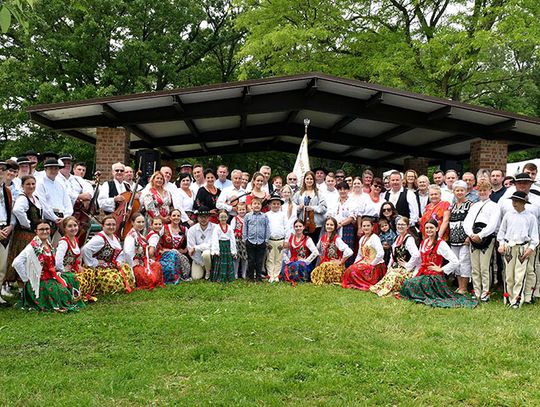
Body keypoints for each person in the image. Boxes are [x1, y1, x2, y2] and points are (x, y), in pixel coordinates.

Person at [399, 219, 477, 308]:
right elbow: (420, 261)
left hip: (434, 278)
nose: (429, 230)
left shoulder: (441, 243)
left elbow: (455, 261)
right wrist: (414, 272)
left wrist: (441, 269)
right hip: (423, 274)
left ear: (437, 229)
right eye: (427, 228)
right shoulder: (424, 242)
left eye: (431, 228)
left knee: (411, 284)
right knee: (408, 283)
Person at [13, 219, 83, 312]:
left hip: (50, 276)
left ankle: (73, 300)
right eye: (41, 229)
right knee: (61, 291)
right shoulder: (32, 247)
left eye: (47, 229)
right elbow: (16, 263)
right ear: (36, 231)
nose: (45, 231)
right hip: (40, 281)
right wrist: (27, 279)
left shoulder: (47, 244)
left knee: (71, 278)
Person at [497, 191, 538, 308]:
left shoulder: (530, 217)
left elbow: (534, 237)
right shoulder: (508, 215)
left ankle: (517, 299)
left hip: (522, 248)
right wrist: (501, 244)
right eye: (513, 201)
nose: (514, 203)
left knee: (520, 275)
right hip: (509, 247)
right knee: (509, 274)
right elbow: (502, 233)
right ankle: (508, 297)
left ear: (524, 202)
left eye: (517, 201)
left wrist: (530, 248)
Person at [463, 181, 500, 301]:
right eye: (480, 190)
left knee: (484, 266)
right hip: (473, 236)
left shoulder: (494, 206)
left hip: (487, 238)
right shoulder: (474, 206)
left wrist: (481, 235)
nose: (482, 193)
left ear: (490, 191)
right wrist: (470, 234)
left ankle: (485, 292)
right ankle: (477, 291)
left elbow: (493, 224)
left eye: (485, 190)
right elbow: (467, 221)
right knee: (475, 266)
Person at [81, 215, 135, 295]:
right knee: (112, 281)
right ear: (103, 226)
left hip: (111, 265)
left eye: (113, 225)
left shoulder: (115, 236)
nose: (111, 227)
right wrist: (94, 262)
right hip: (100, 269)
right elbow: (85, 249)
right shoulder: (100, 238)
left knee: (126, 269)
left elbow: (120, 252)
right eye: (108, 224)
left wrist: (118, 261)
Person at [370, 216, 420, 297]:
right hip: (397, 267)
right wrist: (389, 266)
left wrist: (407, 265)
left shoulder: (409, 239)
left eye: (403, 224)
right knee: (390, 273)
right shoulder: (397, 237)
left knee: (393, 275)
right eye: (398, 224)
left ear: (407, 226)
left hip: (407, 270)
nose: (400, 226)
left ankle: (388, 290)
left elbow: (416, 255)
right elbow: (392, 255)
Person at [34, 158, 73, 244]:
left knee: (60, 248)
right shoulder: (40, 184)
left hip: (62, 219)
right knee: (47, 247)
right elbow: (43, 205)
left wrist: (65, 217)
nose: (53, 171)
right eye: (51, 168)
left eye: (56, 168)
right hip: (48, 220)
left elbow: (68, 203)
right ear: (45, 169)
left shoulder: (60, 185)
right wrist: (55, 218)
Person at [342, 217, 386, 291]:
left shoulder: (375, 238)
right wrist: (355, 263)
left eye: (368, 226)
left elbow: (381, 254)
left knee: (353, 271)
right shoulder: (362, 238)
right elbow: (360, 254)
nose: (366, 228)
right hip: (365, 262)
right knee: (350, 269)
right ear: (361, 227)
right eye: (364, 226)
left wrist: (372, 264)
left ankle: (362, 283)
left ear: (372, 227)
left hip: (375, 266)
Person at [123, 212, 164, 290]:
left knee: (157, 265)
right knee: (147, 277)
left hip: (143, 261)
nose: (141, 224)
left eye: (143, 222)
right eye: (138, 222)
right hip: (135, 264)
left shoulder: (139, 235)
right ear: (132, 222)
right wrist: (133, 265)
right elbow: (128, 253)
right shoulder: (130, 237)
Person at [54, 216, 89, 302]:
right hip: (62, 272)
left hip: (72, 269)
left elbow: (75, 258)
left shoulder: (75, 239)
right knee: (80, 280)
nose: (73, 228)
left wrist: (78, 265)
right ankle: (76, 296)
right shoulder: (64, 242)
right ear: (65, 229)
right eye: (70, 226)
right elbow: (58, 261)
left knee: (89, 273)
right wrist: (63, 269)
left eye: (75, 225)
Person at [310, 217, 353, 285]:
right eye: (327, 224)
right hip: (324, 263)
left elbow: (349, 251)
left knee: (324, 266)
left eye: (331, 225)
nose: (329, 226)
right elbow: (316, 249)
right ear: (325, 226)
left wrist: (341, 261)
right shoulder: (323, 237)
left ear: (335, 227)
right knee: (315, 272)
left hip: (335, 266)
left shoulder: (337, 239)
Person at [448, 180, 473, 294]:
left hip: (464, 239)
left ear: (466, 191)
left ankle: (464, 287)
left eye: (461, 190)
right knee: (456, 262)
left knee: (464, 262)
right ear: (453, 192)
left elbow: (473, 221)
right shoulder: (452, 206)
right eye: (457, 190)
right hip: (454, 239)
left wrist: (469, 236)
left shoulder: (470, 205)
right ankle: (459, 286)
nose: (459, 192)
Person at [281, 219, 319, 284]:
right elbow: (284, 251)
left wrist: (306, 261)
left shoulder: (307, 239)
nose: (298, 228)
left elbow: (315, 252)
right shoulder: (290, 238)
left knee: (297, 265)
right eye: (296, 226)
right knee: (291, 265)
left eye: (300, 226)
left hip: (303, 263)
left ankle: (297, 278)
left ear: (303, 227)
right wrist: (287, 261)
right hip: (291, 261)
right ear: (294, 227)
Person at [293, 170, 327, 243]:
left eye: (311, 179)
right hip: (302, 224)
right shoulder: (298, 194)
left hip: (315, 225)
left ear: (314, 180)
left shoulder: (319, 193)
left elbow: (324, 208)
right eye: (307, 179)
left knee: (313, 245)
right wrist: (299, 208)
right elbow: (292, 207)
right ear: (304, 180)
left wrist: (313, 208)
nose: (309, 180)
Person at [158, 209, 191, 283]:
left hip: (179, 255)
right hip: (165, 255)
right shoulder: (164, 228)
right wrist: (162, 250)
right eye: (174, 215)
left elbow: (189, 244)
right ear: (170, 217)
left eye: (178, 216)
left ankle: (180, 275)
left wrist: (183, 250)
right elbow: (156, 240)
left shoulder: (184, 229)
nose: (176, 217)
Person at [243, 197, 270, 281]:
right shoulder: (248, 216)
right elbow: (245, 228)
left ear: (261, 206)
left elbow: (267, 228)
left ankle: (258, 276)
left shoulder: (264, 216)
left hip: (261, 241)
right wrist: (245, 239)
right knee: (251, 260)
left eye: (258, 204)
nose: (257, 205)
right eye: (255, 204)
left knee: (259, 260)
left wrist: (266, 240)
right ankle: (250, 276)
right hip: (250, 241)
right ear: (251, 206)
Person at [187, 207, 215, 280]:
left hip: (212, 258)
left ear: (209, 217)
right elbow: (191, 249)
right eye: (201, 217)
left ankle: (209, 271)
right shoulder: (192, 230)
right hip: (198, 259)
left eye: (206, 217)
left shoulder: (215, 228)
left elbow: (212, 245)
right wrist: (202, 264)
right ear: (197, 218)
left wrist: (196, 248)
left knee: (206, 253)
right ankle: (205, 269)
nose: (203, 219)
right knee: (196, 277)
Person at [265, 195, 288, 283]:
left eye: (278, 204)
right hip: (270, 239)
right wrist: (266, 240)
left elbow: (287, 227)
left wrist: (286, 240)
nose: (275, 205)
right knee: (270, 258)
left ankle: (276, 275)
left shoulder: (283, 215)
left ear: (280, 205)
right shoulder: (266, 215)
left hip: (280, 240)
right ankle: (270, 275)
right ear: (270, 205)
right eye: (273, 204)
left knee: (279, 258)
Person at [210, 210, 237, 282]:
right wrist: (216, 250)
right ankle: (219, 278)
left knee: (228, 262)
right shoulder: (217, 227)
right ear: (218, 218)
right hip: (220, 245)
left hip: (227, 246)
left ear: (227, 217)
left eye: (225, 217)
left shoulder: (230, 227)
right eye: (221, 217)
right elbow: (215, 239)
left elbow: (232, 239)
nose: (223, 218)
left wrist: (233, 250)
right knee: (220, 262)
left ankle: (228, 277)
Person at [333, 181, 356, 267]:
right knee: (336, 248)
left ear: (348, 190)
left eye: (344, 189)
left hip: (347, 228)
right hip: (334, 228)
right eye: (340, 189)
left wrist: (341, 224)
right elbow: (330, 214)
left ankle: (347, 269)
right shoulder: (334, 201)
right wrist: (334, 225)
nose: (342, 191)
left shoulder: (352, 202)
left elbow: (352, 217)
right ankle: (336, 269)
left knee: (348, 248)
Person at [230, 202, 248, 279]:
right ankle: (235, 273)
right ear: (237, 210)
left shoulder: (248, 218)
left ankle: (244, 273)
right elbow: (231, 230)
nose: (242, 211)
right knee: (236, 257)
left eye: (243, 209)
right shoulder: (235, 219)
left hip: (245, 240)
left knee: (245, 257)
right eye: (240, 210)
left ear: (246, 210)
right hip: (237, 240)